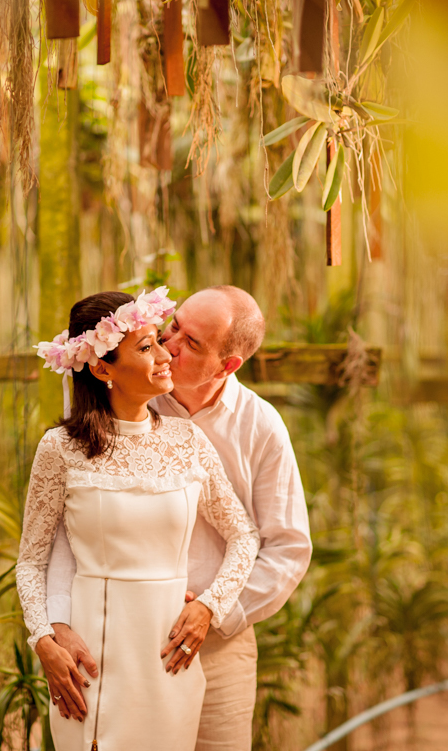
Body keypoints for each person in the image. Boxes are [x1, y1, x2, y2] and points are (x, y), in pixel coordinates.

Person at [45, 285, 313, 751]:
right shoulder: (121, 393)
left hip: (221, 649)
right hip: (113, 639)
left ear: (227, 365)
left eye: (192, 343)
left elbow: (288, 548)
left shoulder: (260, 426)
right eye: (174, 327)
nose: (169, 344)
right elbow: (68, 532)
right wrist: (58, 625)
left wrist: (213, 611)